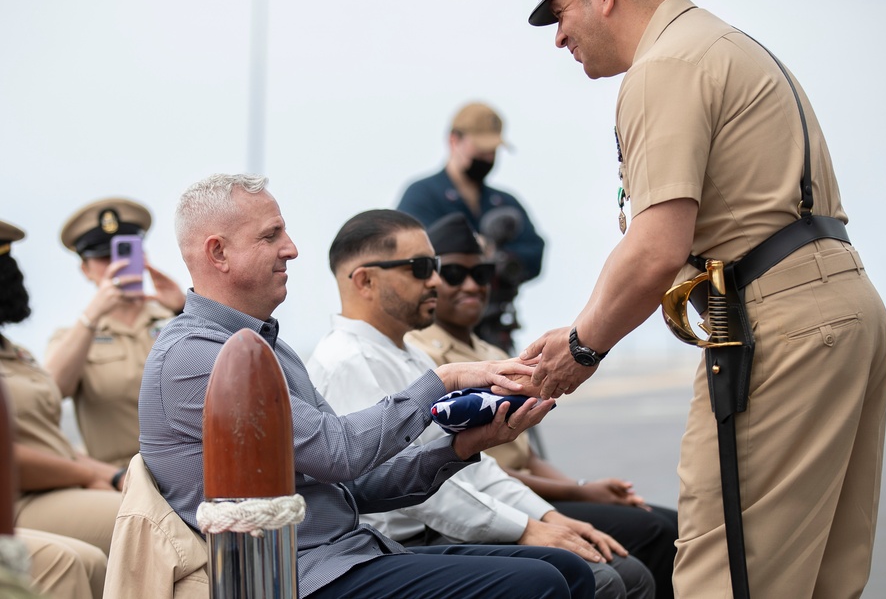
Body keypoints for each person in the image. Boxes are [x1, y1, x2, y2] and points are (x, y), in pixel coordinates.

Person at [513, 0, 886, 598]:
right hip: (842, 309)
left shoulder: (665, 67)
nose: (557, 37)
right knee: (821, 579)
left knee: (727, 576)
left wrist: (581, 345)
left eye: (559, 11)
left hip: (780, 328)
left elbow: (656, 246)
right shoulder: (724, 44)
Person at [139, 173, 595, 599]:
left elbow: (354, 485)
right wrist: (442, 380)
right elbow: (338, 454)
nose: (292, 249)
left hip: (347, 553)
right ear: (218, 253)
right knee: (540, 584)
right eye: (270, 235)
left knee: (567, 571)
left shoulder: (266, 345)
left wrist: (461, 447)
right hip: (302, 575)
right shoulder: (200, 355)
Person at [306, 209, 653, 599]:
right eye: (421, 267)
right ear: (365, 281)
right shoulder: (346, 362)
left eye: (435, 266)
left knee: (620, 567)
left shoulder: (403, 356)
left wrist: (547, 516)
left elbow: (473, 470)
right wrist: (525, 527)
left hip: (447, 526)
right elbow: (410, 495)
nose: (435, 280)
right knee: (605, 579)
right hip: (413, 539)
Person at [407, 212, 678, 599]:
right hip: (495, 499)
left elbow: (527, 455)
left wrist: (582, 487)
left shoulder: (490, 352)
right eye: (453, 275)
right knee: (650, 541)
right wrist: (578, 493)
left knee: (664, 524)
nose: (472, 285)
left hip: (528, 491)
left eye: (482, 274)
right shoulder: (427, 360)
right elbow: (471, 472)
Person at [0, 220, 122, 568]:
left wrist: (114, 476)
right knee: (149, 524)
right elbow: (10, 459)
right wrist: (92, 476)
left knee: (155, 509)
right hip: (17, 498)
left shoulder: (15, 352)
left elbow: (49, 441)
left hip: (57, 487)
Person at [43, 198, 185, 469]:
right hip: (120, 480)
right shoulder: (72, 337)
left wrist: (184, 308)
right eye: (103, 257)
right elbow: (50, 394)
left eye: (124, 253)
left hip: (187, 470)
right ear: (85, 269)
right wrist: (92, 316)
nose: (114, 265)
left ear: (142, 257)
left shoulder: (176, 320)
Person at [397, 101, 546, 353]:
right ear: (454, 141)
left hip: (494, 328)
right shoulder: (422, 196)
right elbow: (411, 255)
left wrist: (501, 260)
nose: (487, 158)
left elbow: (535, 252)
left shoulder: (504, 203)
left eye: (492, 151)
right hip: (435, 333)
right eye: (481, 149)